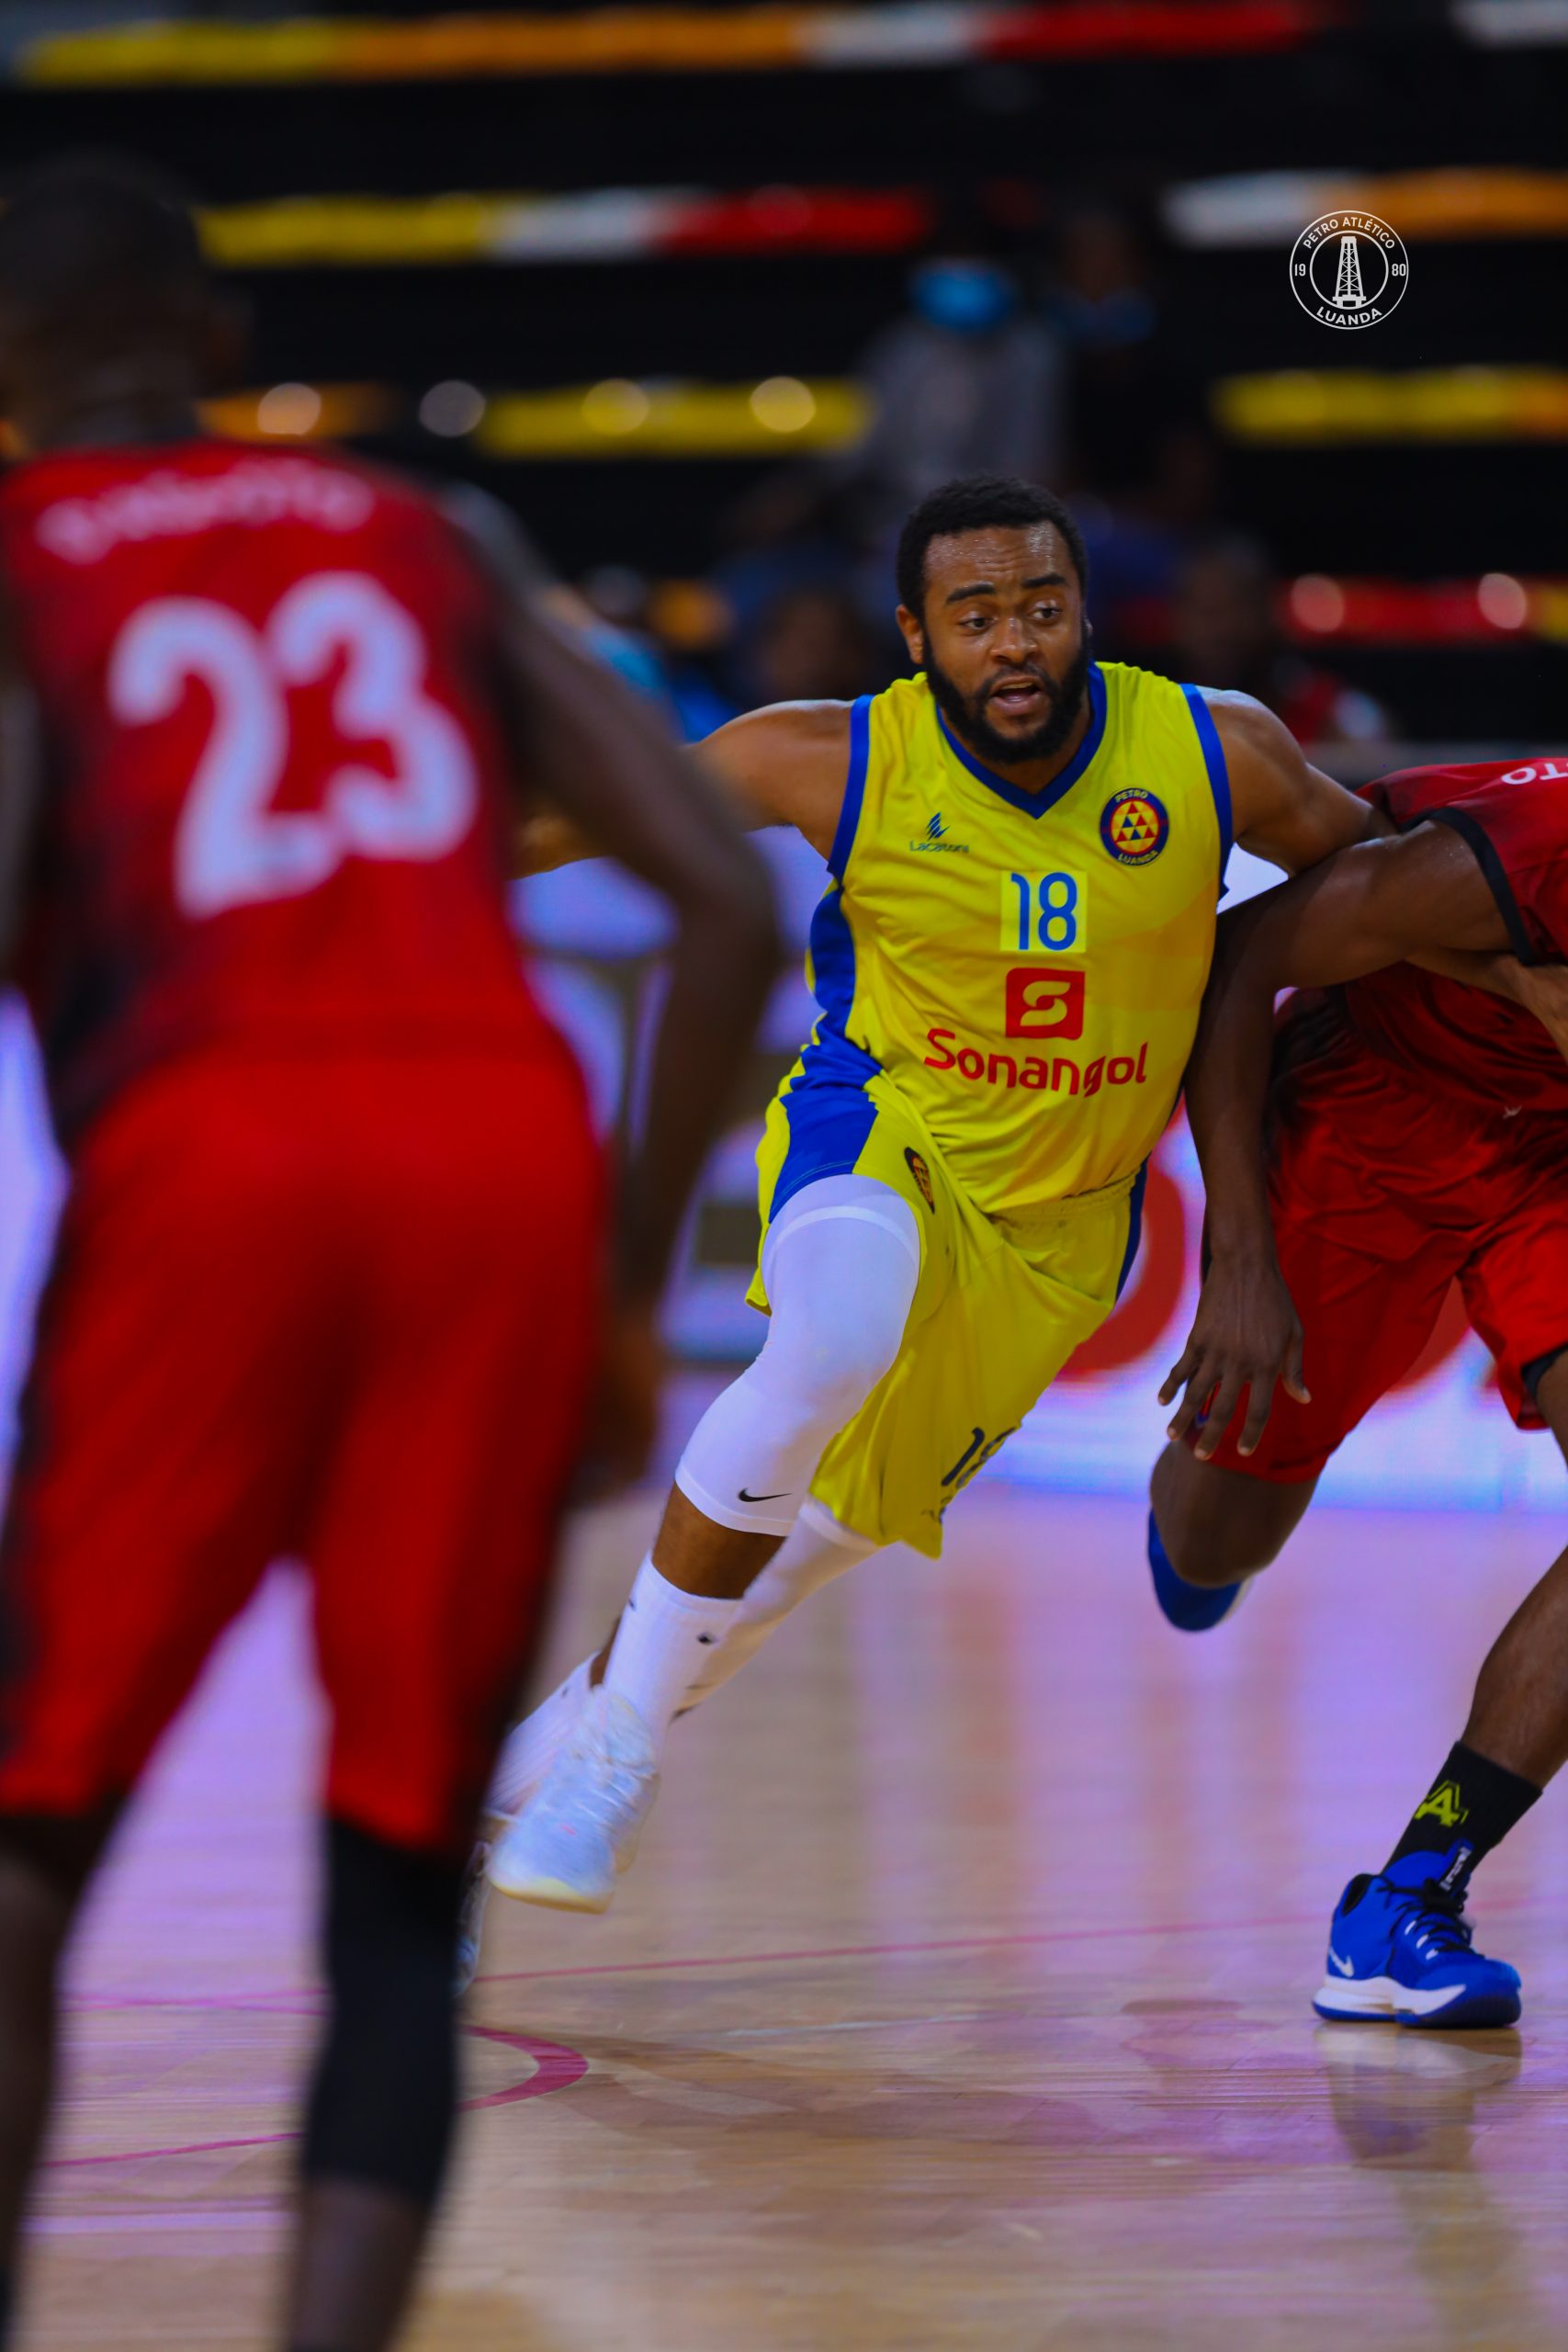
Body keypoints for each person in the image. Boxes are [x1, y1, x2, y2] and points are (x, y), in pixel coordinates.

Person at [0, 157, 776, 2352]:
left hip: (211, 1149)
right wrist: (622, 1292)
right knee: (384, 1867)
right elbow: (719, 894)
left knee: (35, 1833)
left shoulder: (23, 559)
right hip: (496, 1163)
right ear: (222, 349)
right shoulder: (413, 537)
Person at [476, 470, 1389, 1930]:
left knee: (783, 1569)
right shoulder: (827, 758)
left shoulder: (1213, 750)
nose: (1012, 643)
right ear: (914, 636)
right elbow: (575, 822)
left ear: (1084, 611)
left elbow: (1393, 882)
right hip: (883, 1132)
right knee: (825, 1344)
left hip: (1059, 1231)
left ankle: (506, 1794)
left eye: (1040, 608)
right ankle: (620, 1763)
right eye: (974, 617)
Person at [1152, 752, 1568, 2030]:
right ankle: (1201, 1535)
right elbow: (1234, 959)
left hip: (1546, 1151)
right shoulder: (1497, 863)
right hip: (1371, 1120)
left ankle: (1404, 1899)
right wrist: (1237, 1263)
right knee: (1218, 1533)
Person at [1167, 534, 1396, 754]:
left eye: (1236, 609)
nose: (1220, 629)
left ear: (1269, 612)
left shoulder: (1337, 717)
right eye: (1205, 612)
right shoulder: (1159, 718)